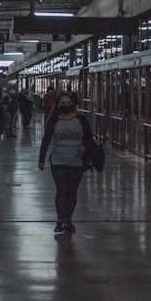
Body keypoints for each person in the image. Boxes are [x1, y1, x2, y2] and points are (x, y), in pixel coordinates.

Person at [38, 91, 94, 235]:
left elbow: (89, 136)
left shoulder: (81, 120)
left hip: (76, 161)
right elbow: (46, 139)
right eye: (62, 103)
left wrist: (84, 146)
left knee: (72, 192)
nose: (65, 106)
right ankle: (60, 219)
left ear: (73, 104)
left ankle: (68, 219)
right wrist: (41, 159)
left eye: (68, 103)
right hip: (58, 160)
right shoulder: (54, 121)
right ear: (57, 105)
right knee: (61, 190)